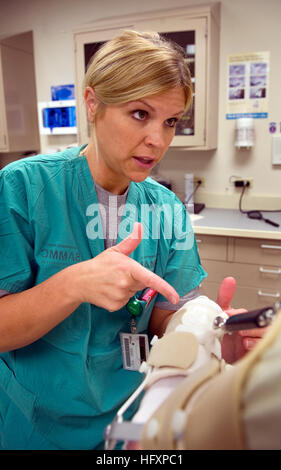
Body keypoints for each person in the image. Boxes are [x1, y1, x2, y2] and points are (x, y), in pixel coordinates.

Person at [0, 30, 264, 450]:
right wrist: (73, 285)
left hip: (128, 415)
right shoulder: (23, 189)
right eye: (140, 113)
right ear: (93, 104)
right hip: (38, 422)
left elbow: (163, 312)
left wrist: (208, 332)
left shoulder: (166, 208)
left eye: (171, 121)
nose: (157, 140)